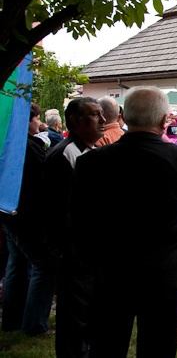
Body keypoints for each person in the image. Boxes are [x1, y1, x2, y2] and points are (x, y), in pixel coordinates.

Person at [68, 86, 177, 357]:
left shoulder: (92, 162)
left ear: (124, 116)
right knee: (158, 346)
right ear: (164, 120)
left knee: (107, 346)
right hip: (165, 272)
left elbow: (79, 218)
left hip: (112, 270)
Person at [44, 97, 106, 356]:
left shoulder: (90, 150)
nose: (103, 121)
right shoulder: (65, 154)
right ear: (74, 121)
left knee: (90, 314)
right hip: (75, 253)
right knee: (74, 317)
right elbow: (59, 211)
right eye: (95, 115)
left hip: (92, 251)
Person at [1, 102, 55, 336]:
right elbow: (40, 182)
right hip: (26, 215)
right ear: (25, 120)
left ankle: (12, 319)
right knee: (44, 265)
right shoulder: (27, 147)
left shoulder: (10, 143)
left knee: (17, 263)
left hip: (9, 212)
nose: (39, 123)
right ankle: (34, 323)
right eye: (36, 119)